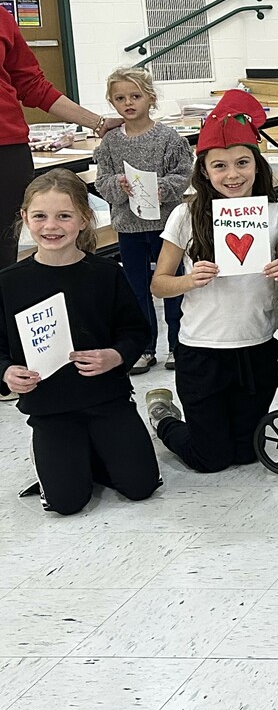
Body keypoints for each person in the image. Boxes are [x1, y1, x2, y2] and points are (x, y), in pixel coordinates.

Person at [145, 91, 278, 473]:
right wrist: (189, 281)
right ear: (205, 171)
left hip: (256, 346)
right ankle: (163, 417)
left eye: (242, 163)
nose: (233, 175)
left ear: (256, 164)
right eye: (221, 166)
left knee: (248, 453)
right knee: (209, 459)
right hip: (202, 349)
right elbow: (158, 284)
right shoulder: (185, 215)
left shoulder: (275, 214)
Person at [0, 170, 159, 515]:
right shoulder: (9, 283)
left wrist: (115, 357)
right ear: (25, 218)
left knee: (140, 486)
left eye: (64, 216)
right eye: (40, 216)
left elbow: (136, 331)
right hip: (50, 408)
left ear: (85, 220)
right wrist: (7, 372)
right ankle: (68, 458)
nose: (51, 226)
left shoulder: (106, 274)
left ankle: (104, 448)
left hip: (107, 399)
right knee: (66, 504)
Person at [0, 3, 125, 266]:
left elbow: (31, 84)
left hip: (6, 150)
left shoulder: (2, 18)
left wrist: (97, 122)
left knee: (3, 249)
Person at [91, 66, 193, 374]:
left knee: (172, 284)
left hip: (167, 227)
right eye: (120, 98)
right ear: (112, 102)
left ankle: (178, 345)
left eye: (135, 96)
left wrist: (161, 188)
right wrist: (116, 186)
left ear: (150, 98)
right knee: (137, 289)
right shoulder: (110, 142)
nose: (128, 103)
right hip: (129, 227)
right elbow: (102, 180)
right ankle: (145, 347)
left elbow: (183, 172)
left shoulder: (168, 137)